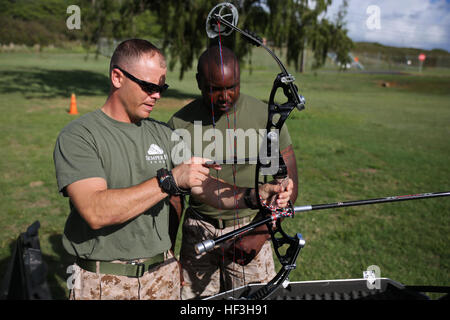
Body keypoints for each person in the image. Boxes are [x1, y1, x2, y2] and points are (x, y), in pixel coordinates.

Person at [53, 39, 293, 300]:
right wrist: (168, 181)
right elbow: (95, 211)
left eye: (161, 87)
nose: (156, 95)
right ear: (117, 77)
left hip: (161, 279)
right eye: (148, 86)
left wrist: (256, 195)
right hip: (104, 282)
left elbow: (203, 184)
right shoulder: (80, 135)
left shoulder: (162, 134)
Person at [168, 45, 299, 299]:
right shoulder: (179, 124)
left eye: (232, 86)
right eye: (214, 89)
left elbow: (287, 185)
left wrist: (260, 235)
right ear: (198, 82)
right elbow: (174, 196)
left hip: (252, 227)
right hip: (198, 231)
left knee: (251, 303)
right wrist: (170, 253)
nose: (225, 96)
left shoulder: (266, 117)